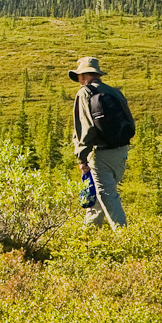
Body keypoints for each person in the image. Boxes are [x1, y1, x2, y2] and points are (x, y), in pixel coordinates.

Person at [71, 56, 131, 229]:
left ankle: (124, 236)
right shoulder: (114, 92)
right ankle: (89, 233)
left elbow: (86, 128)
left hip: (100, 153)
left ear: (83, 76)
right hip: (121, 151)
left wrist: (82, 158)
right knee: (98, 194)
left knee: (106, 194)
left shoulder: (84, 93)